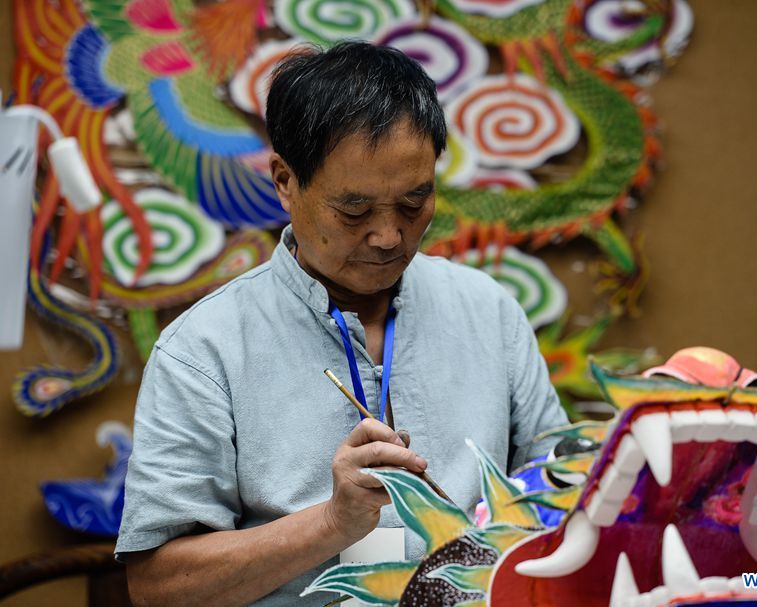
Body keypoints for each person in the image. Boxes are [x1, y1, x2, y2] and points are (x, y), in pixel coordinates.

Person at [116, 41, 568, 606]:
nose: (388, 236)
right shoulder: (204, 349)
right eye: (354, 210)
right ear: (285, 181)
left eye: (414, 203)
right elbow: (157, 588)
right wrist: (332, 523)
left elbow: (560, 488)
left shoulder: (487, 311)